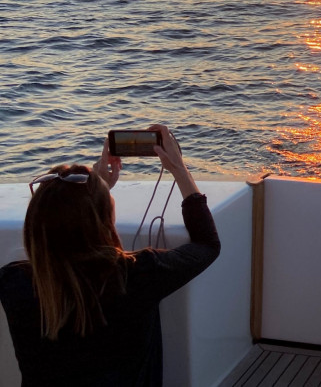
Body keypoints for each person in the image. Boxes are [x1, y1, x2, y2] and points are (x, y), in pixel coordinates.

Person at [0, 124, 220, 387]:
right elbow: (207, 244)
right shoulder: (137, 274)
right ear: (104, 219)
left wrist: (96, 189)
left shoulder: (14, 283)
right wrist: (179, 169)